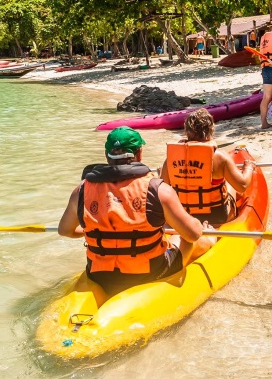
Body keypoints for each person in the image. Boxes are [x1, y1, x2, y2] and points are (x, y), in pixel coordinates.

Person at [58, 127, 205, 296]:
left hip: (98, 275)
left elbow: (65, 230)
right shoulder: (159, 190)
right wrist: (198, 224)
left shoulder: (81, 190)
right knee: (183, 237)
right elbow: (193, 235)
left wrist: (93, 234)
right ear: (139, 153)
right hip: (149, 273)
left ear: (107, 156)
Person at [160, 108, 254, 235]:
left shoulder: (171, 159)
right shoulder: (220, 157)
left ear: (187, 131)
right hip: (216, 217)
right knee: (228, 185)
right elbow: (242, 186)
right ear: (210, 130)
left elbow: (161, 192)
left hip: (184, 218)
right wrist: (248, 167)